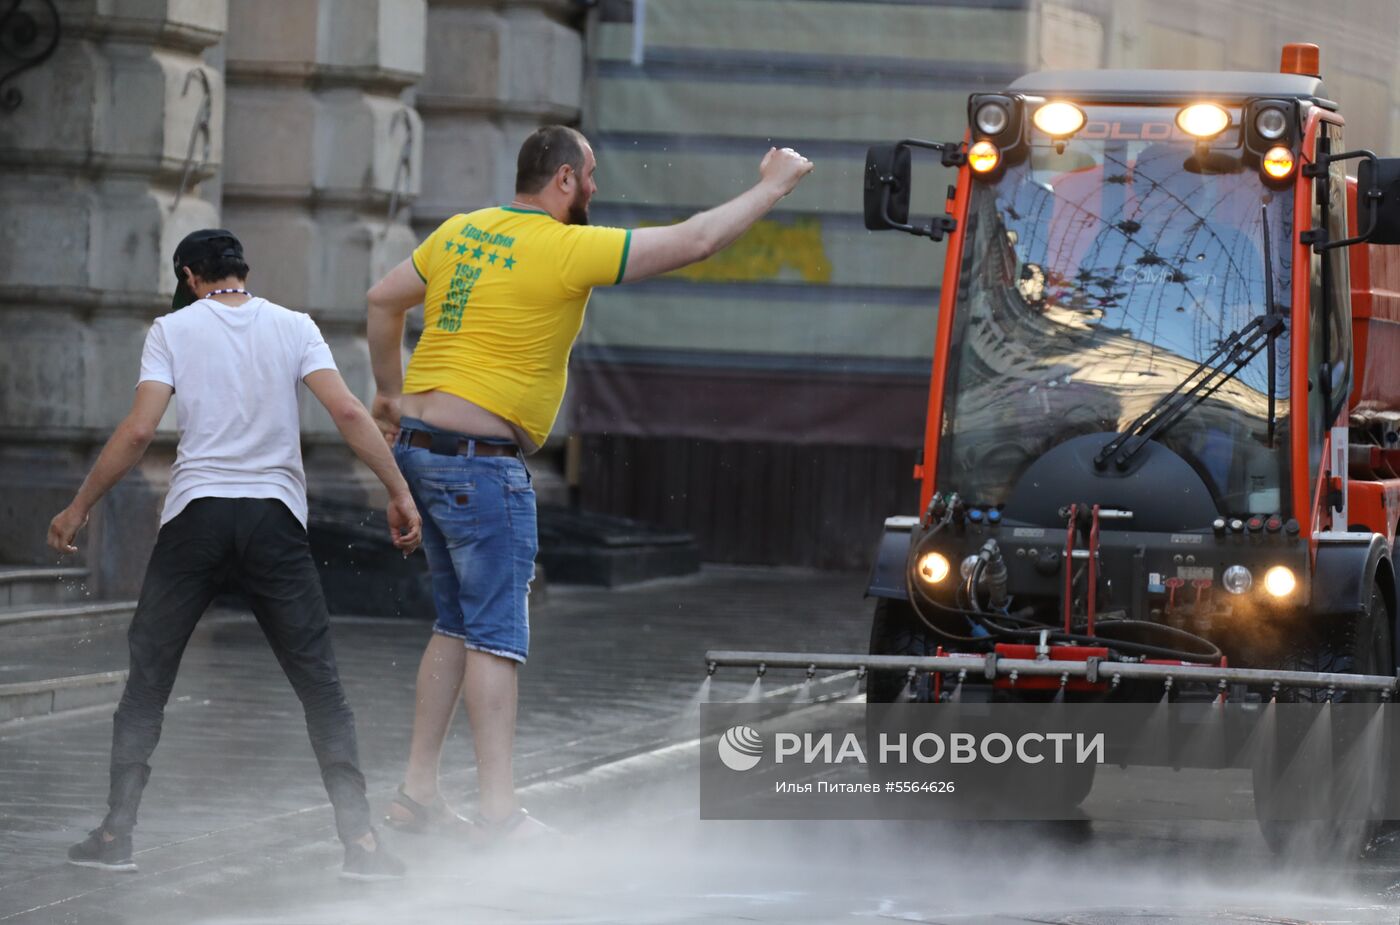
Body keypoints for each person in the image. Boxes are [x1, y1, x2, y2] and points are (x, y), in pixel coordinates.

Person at [365, 125, 813, 838]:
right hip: (481, 466)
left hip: (422, 452)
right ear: (565, 179)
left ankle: (417, 795)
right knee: (494, 637)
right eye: (592, 174)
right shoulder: (567, 248)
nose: (597, 188)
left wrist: (389, 395)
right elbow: (697, 240)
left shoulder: (459, 232)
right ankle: (499, 817)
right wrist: (774, 186)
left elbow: (383, 300)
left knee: (455, 623)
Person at [48, 229, 422, 880]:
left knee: (148, 681)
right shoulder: (295, 326)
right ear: (240, 271)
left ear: (189, 276)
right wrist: (399, 491)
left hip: (196, 518)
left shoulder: (172, 331)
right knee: (321, 686)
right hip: (274, 520)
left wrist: (79, 506)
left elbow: (139, 431)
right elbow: (348, 412)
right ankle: (361, 843)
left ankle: (116, 833)